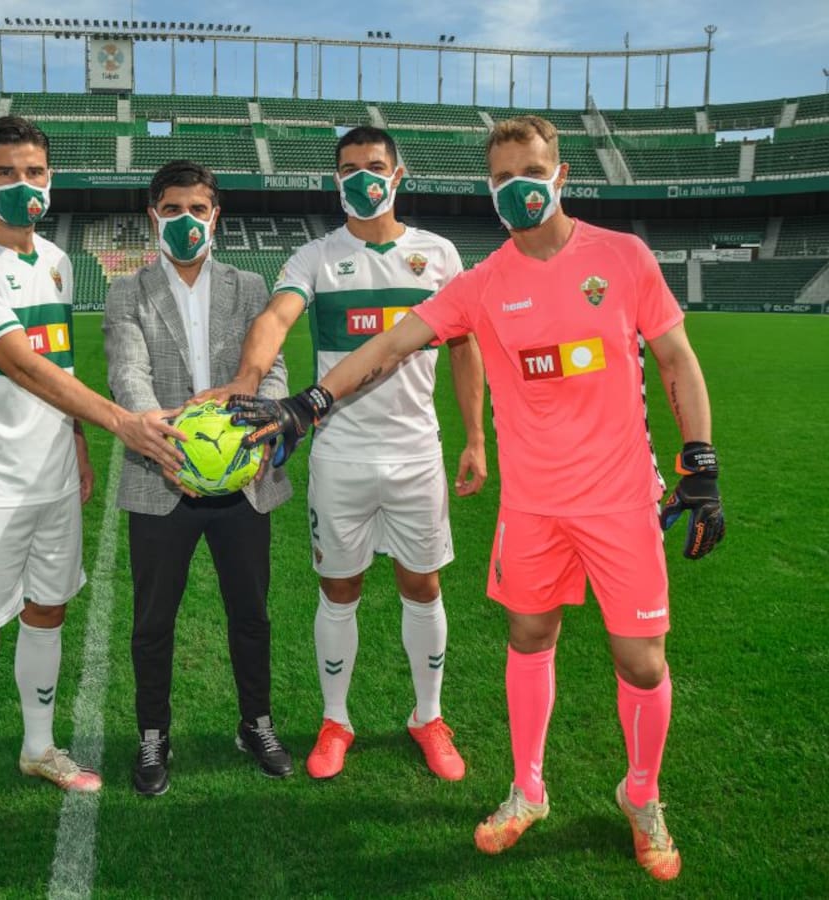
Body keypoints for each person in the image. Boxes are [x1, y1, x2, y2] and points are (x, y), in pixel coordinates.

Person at [232, 115, 725, 882]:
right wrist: (310, 403)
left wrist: (701, 462)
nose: (516, 188)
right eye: (500, 179)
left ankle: (641, 795)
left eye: (529, 172)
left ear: (560, 175)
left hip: (621, 499)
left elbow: (676, 359)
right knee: (528, 638)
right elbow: (391, 345)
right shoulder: (483, 282)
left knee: (642, 661)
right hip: (531, 507)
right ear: (488, 189)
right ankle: (528, 790)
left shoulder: (622, 257)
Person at [0, 116, 186, 856]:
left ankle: (38, 747)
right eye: (7, 173)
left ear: (51, 177)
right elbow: (18, 361)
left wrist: (76, 442)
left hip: (52, 476)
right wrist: (121, 422)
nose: (24, 185)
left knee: (48, 611)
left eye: (35, 172)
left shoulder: (58, 261)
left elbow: (60, 364)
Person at [201, 126, 487, 782]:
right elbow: (276, 318)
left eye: (375, 166)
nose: (363, 178)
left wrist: (475, 437)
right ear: (336, 180)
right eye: (350, 168)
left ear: (398, 174)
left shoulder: (439, 255)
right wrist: (247, 380)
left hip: (416, 453)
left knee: (423, 585)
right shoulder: (317, 256)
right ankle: (336, 721)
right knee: (339, 588)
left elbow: (464, 347)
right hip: (339, 453)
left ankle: (428, 717)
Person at [103, 160, 295, 797]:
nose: (185, 220)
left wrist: (262, 429)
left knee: (251, 614)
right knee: (153, 621)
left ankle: (256, 723)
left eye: (198, 209)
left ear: (216, 218)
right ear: (152, 217)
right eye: (172, 209)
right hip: (163, 481)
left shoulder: (250, 285)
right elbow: (127, 374)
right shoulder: (127, 292)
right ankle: (153, 735)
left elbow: (272, 369)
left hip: (244, 484)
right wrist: (166, 447)